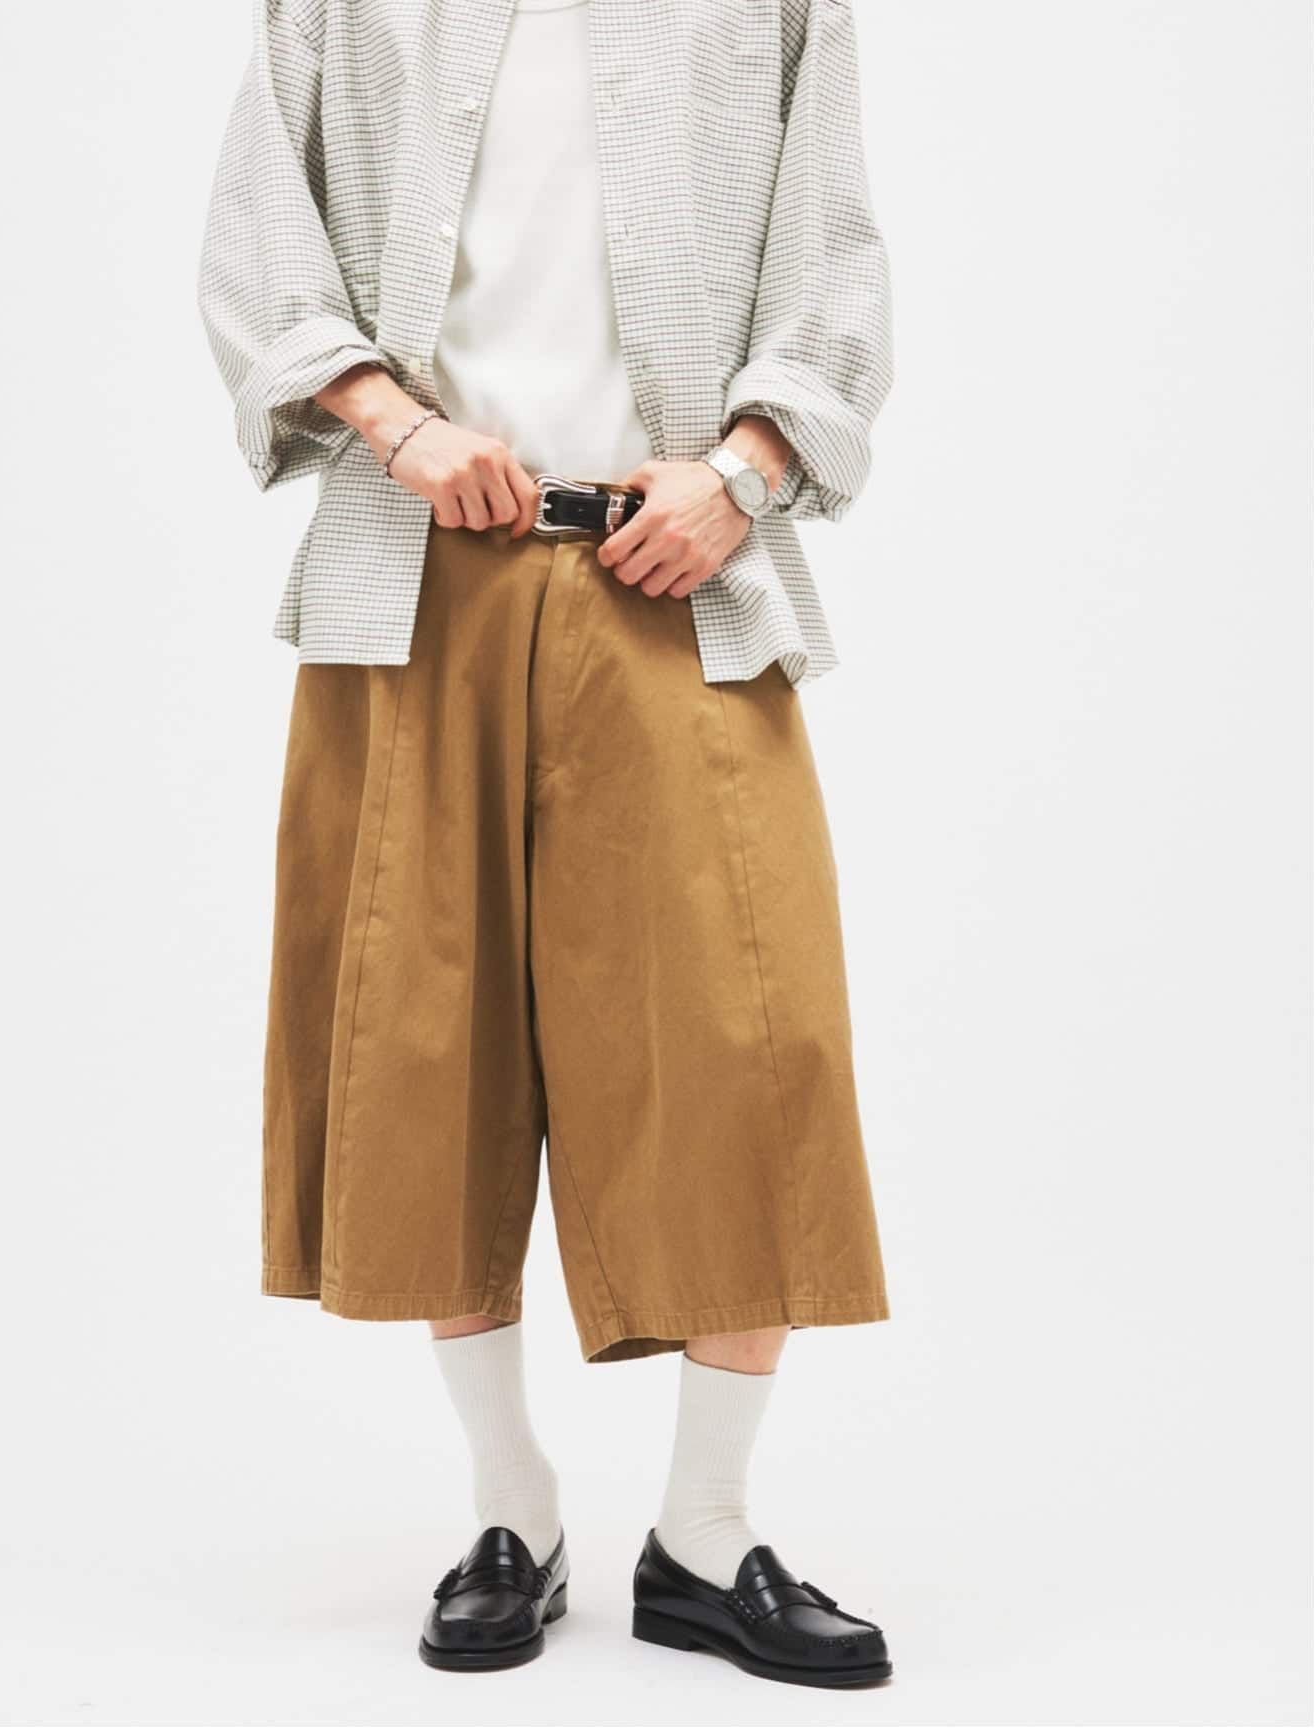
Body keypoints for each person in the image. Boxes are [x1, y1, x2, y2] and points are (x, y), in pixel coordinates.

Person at [199, 0, 894, 1690]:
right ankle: (511, 1512)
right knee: (431, 1051)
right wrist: (395, 424)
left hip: (680, 579)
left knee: (750, 1042)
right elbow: (261, 233)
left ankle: (707, 1535)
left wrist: (744, 472)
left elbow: (834, 261)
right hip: (414, 576)